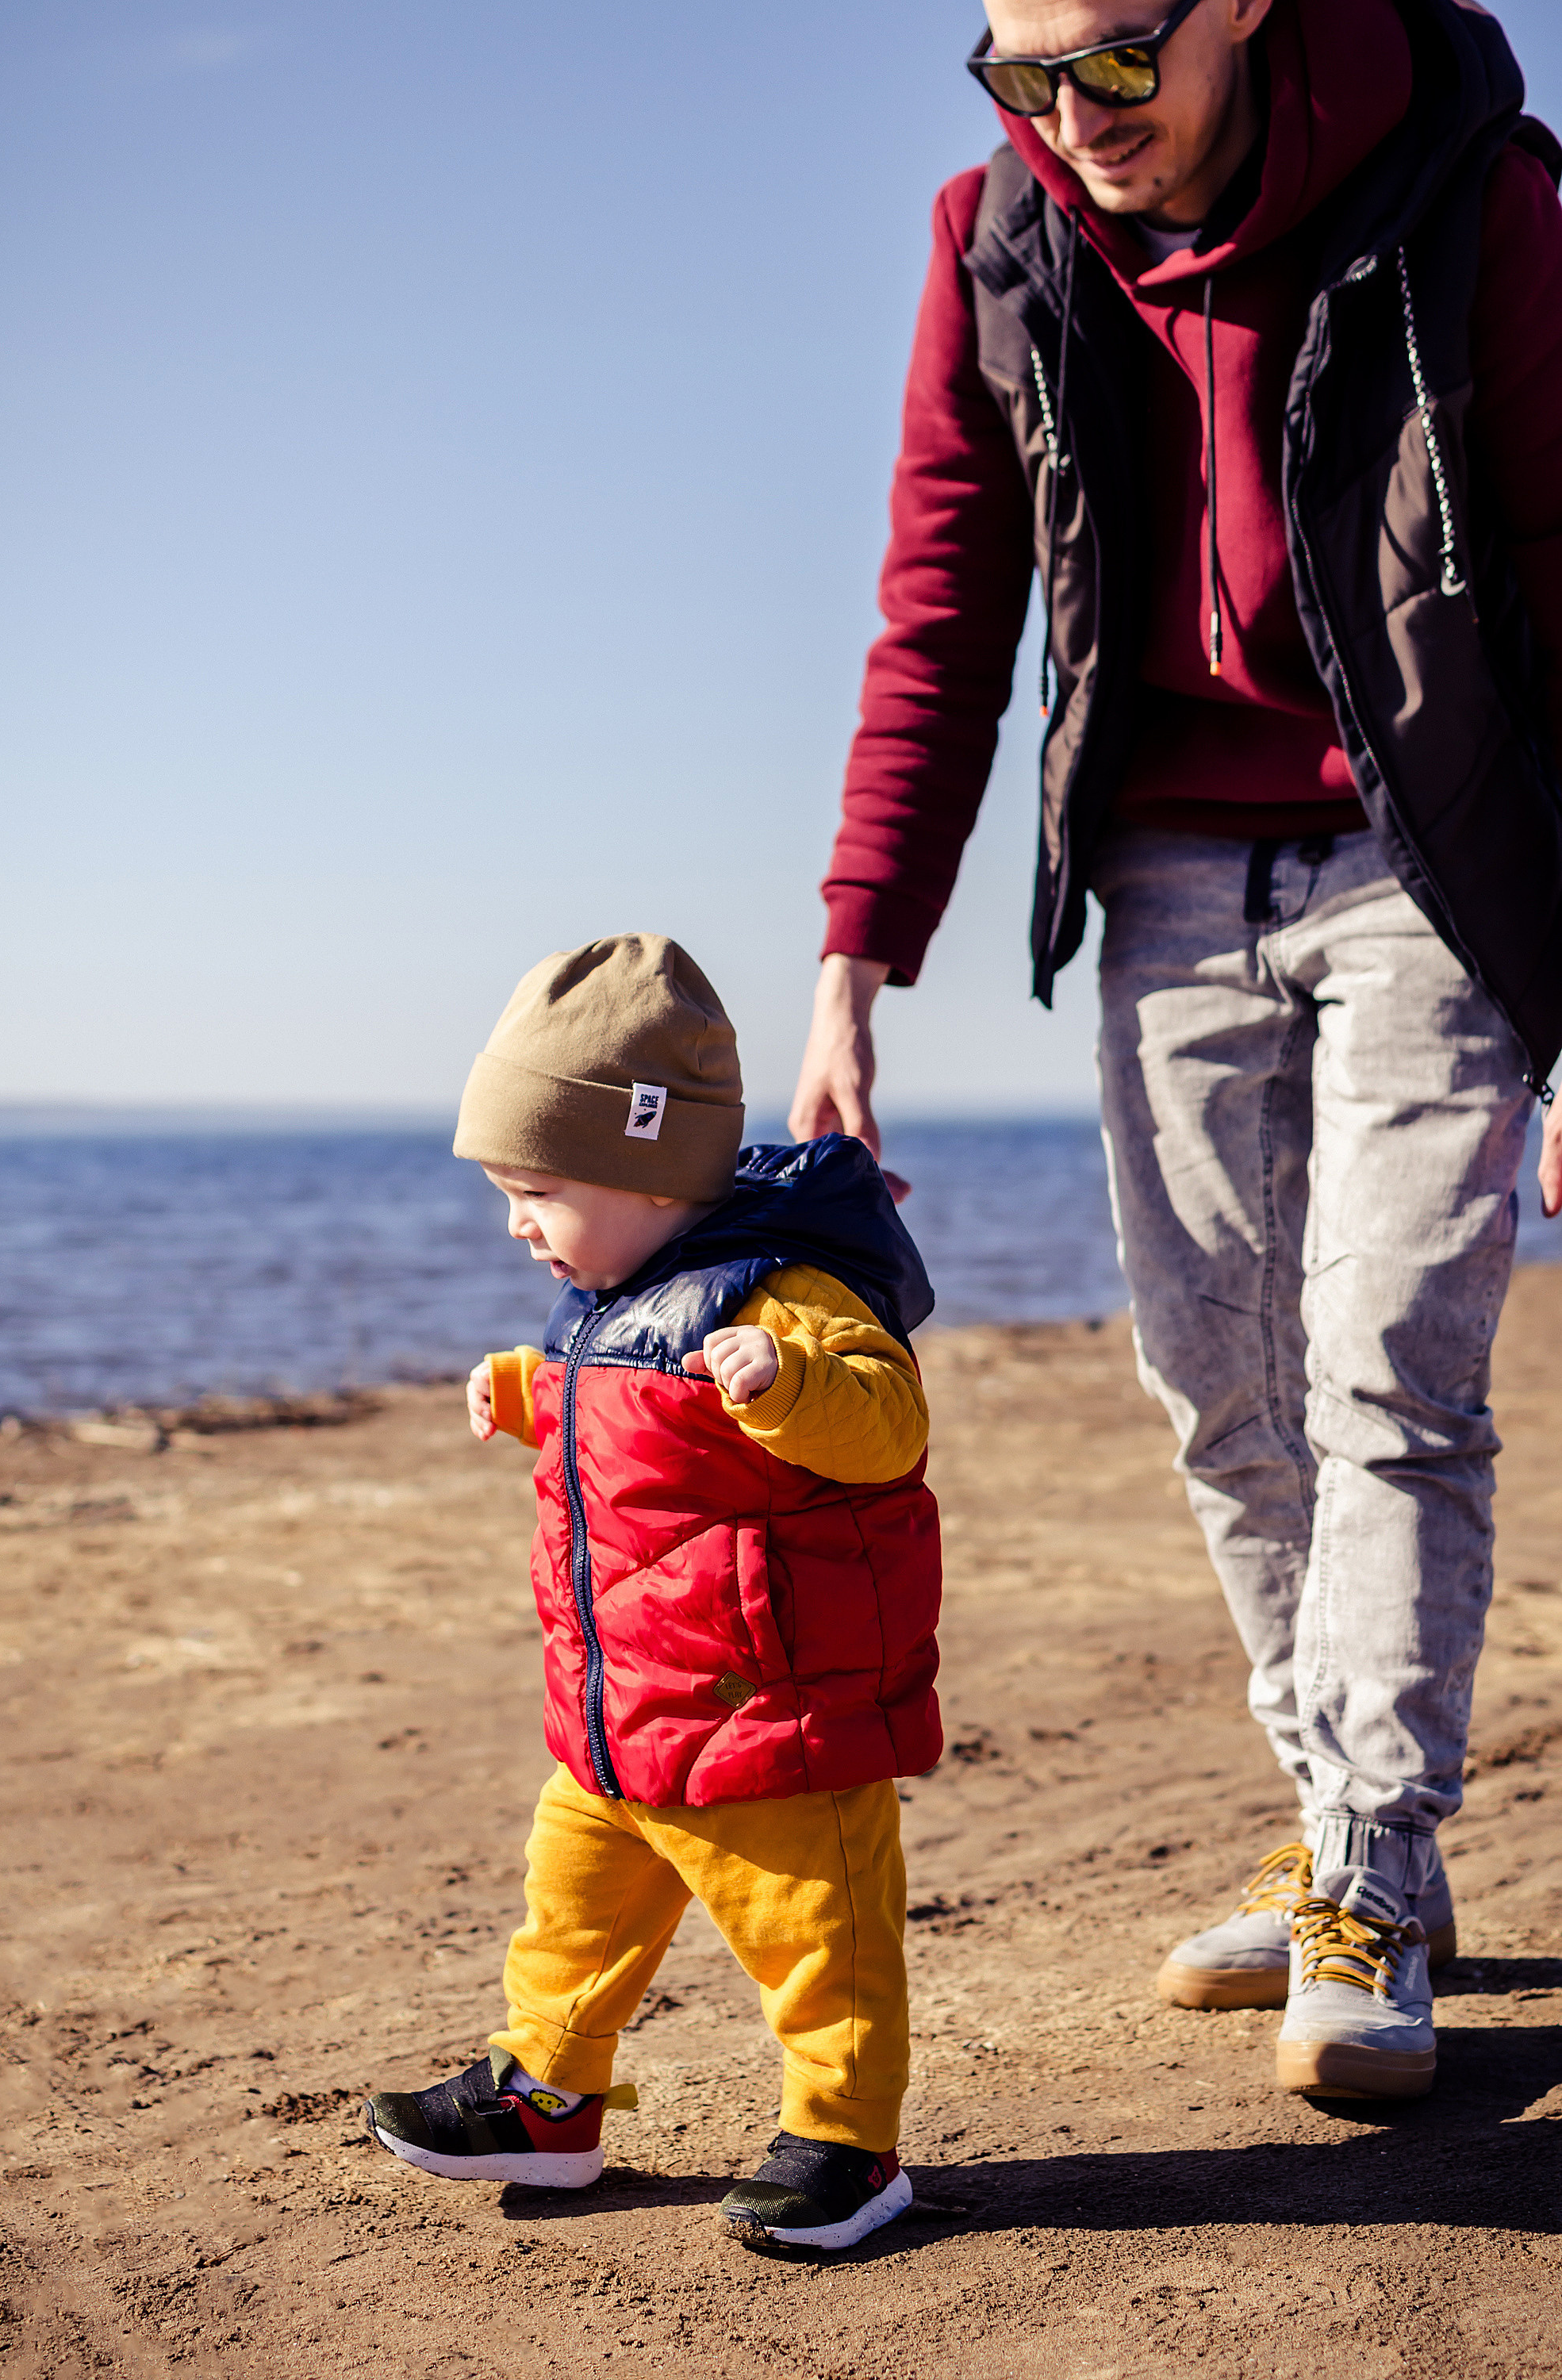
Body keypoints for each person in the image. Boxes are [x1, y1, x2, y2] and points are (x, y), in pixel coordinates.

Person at [790, 0, 1562, 2101]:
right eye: (1016, 73)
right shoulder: (999, 242)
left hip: (1431, 860)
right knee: (1217, 1392)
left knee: (1385, 1372)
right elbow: (941, 609)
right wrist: (857, 953)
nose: (1069, 118)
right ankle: (1336, 1822)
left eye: (1112, 63)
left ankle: (1374, 1889)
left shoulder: (1465, 192)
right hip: (1160, 875)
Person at [363, 934, 941, 2252]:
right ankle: (548, 2098)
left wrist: (789, 1385)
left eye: (537, 1187)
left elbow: (887, 1425)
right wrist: (526, 1389)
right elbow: (625, 1412)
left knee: (819, 1942)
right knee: (566, 1913)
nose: (517, 1221)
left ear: (645, 1165)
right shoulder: (612, 1290)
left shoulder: (782, 1291)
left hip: (768, 1717)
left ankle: (848, 2145)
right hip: (624, 1717)